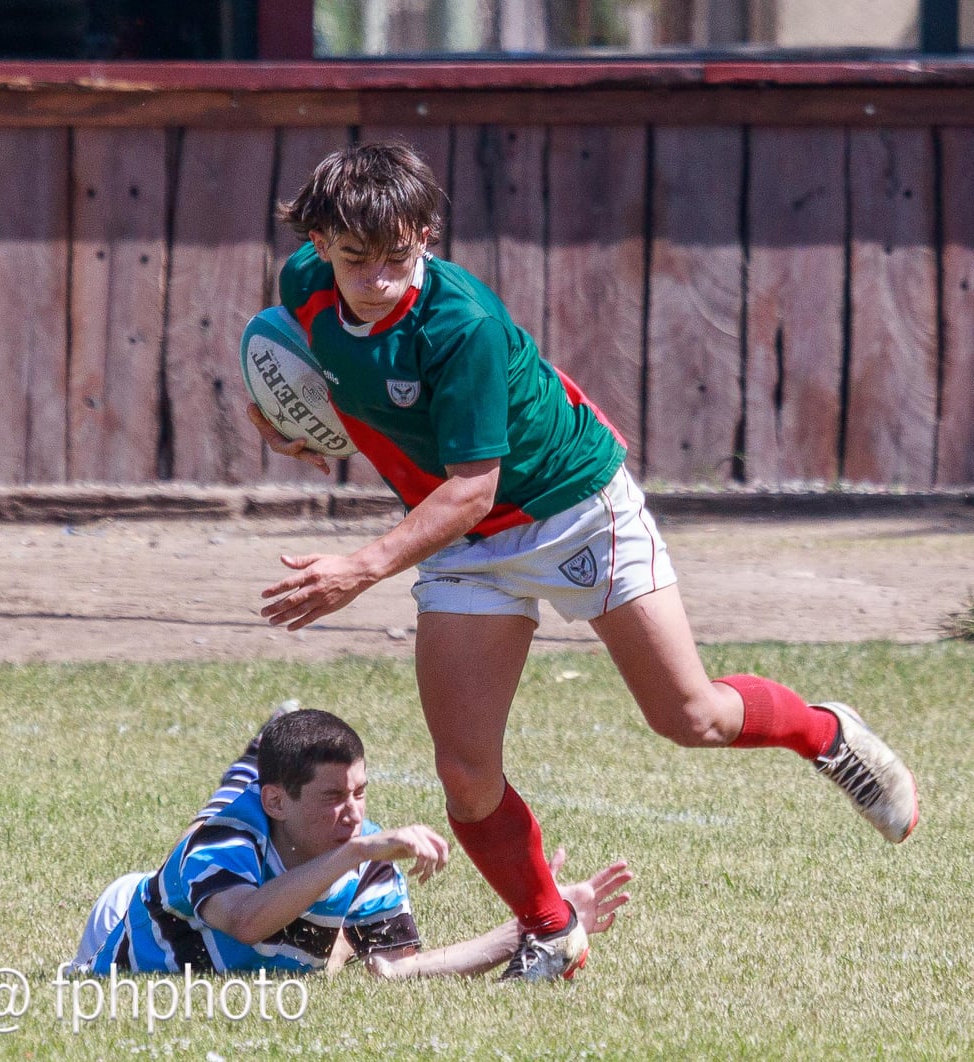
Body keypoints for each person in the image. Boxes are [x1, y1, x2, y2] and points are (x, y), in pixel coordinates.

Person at [249, 141, 918, 982]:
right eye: (355, 260)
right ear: (317, 243)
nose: (379, 279)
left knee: (690, 717)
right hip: (464, 540)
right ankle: (550, 930)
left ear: (426, 234)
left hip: (571, 509)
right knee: (465, 775)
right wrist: (290, 424)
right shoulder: (303, 291)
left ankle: (826, 733)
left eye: (399, 257)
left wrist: (359, 568)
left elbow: (472, 488)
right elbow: (336, 386)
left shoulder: (462, 324)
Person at [75, 707, 631, 979]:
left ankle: (273, 736)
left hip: (270, 851)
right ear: (277, 803)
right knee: (225, 814)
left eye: (360, 792)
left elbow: (394, 970)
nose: (354, 814)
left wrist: (534, 924)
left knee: (340, 951)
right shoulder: (222, 841)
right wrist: (355, 852)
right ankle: (265, 741)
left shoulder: (367, 857)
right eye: (333, 797)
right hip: (126, 924)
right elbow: (245, 922)